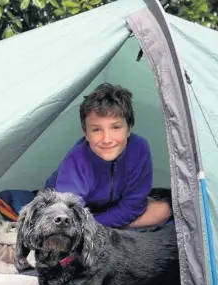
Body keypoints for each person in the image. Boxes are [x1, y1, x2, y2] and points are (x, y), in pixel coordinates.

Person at [45, 83, 172, 229]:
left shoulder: (139, 148)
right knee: (63, 224)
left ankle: (96, 231)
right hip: (68, 211)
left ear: (129, 128)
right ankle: (99, 232)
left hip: (109, 209)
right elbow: (68, 213)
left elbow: (133, 206)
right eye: (96, 129)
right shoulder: (76, 160)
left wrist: (97, 224)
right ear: (86, 133)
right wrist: (89, 225)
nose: (107, 139)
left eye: (116, 127)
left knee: (162, 211)